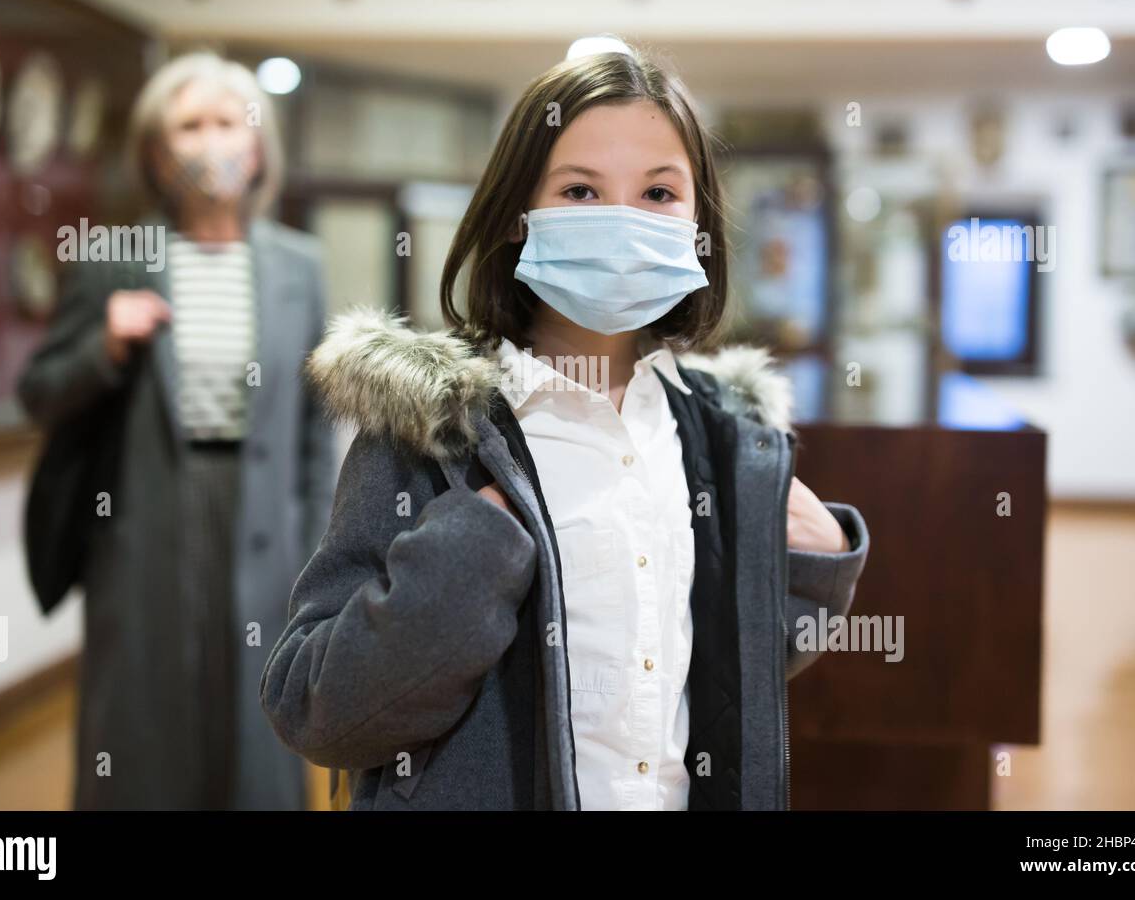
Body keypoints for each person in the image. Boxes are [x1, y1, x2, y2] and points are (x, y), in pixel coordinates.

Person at [260, 41, 868, 810]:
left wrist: (815, 568)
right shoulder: (430, 431)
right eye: (581, 191)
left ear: (699, 222)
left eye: (657, 193)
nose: (621, 220)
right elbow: (314, 712)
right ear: (519, 215)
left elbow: (713, 684)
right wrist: (466, 560)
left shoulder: (714, 437)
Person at [19, 52, 336, 809]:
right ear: (157, 153)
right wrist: (104, 344)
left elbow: (313, 433)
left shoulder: (300, 265)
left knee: (258, 727)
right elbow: (38, 392)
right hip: (143, 523)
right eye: (188, 126)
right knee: (142, 729)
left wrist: (318, 548)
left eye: (228, 124)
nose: (210, 142)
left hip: (262, 525)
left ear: (258, 147)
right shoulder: (112, 259)